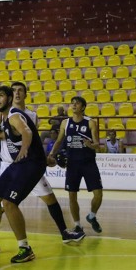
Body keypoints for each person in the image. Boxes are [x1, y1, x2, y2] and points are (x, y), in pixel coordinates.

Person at [0, 81, 79, 246]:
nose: (17, 93)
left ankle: (63, 232)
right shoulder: (3, 112)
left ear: (25, 94)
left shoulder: (29, 115)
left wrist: (43, 157)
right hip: (7, 164)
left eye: (20, 91)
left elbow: (31, 138)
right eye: (14, 90)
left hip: (27, 164)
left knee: (47, 197)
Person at [0, 86, 47, 264]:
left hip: (32, 163)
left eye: (1, 96)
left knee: (9, 202)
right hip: (19, 163)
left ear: (9, 98)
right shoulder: (4, 115)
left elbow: (27, 132)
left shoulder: (14, 115)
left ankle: (25, 248)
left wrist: (24, 148)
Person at [47, 96, 104, 240]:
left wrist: (91, 145)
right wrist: (52, 154)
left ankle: (92, 216)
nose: (74, 105)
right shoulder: (65, 123)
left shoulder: (90, 123)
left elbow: (97, 144)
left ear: (83, 107)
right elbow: (59, 141)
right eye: (72, 103)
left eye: (77, 103)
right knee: (72, 196)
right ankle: (78, 224)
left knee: (98, 194)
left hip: (89, 163)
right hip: (72, 164)